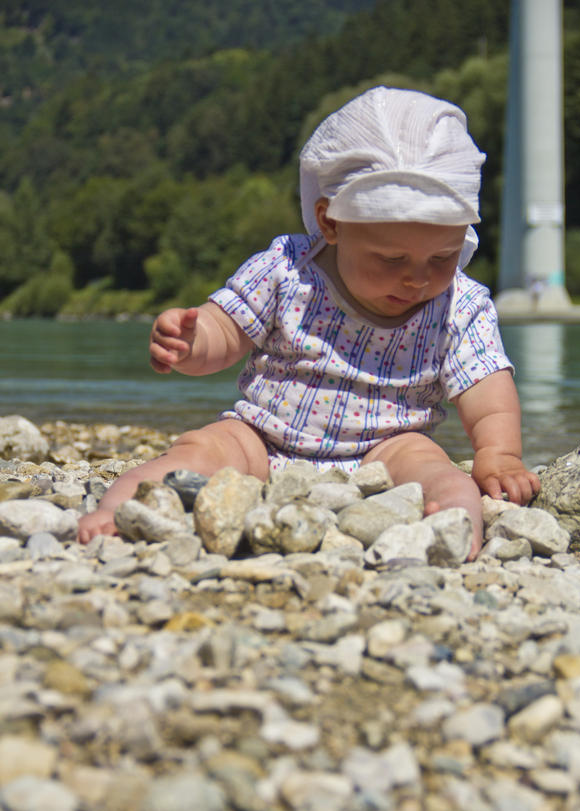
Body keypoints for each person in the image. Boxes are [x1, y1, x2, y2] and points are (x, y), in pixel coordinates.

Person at [78, 86, 540, 558]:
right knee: (199, 450)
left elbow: (487, 390)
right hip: (263, 437)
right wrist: (191, 342)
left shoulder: (461, 304)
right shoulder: (286, 269)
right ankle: (121, 511)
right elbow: (226, 331)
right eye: (392, 258)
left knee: (437, 469)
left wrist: (498, 454)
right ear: (330, 223)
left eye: (442, 257)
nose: (417, 278)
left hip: (388, 448)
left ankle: (454, 530)